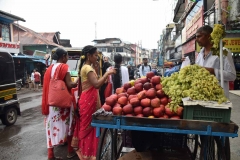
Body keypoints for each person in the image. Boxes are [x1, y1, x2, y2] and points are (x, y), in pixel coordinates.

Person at [72, 45, 116, 160]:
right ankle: (89, 154)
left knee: (92, 126)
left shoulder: (86, 67)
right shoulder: (87, 68)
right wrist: (107, 73)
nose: (97, 58)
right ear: (89, 55)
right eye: (95, 55)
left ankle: (90, 153)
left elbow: (95, 83)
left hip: (88, 99)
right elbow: (96, 84)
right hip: (88, 101)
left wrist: (98, 71)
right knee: (91, 126)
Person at [42, 48, 78, 160]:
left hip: (51, 103)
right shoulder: (64, 67)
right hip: (63, 104)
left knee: (50, 126)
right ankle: (70, 152)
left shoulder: (49, 69)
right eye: (67, 56)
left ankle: (50, 155)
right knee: (69, 124)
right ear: (63, 56)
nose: (67, 59)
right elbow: (70, 84)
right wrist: (77, 79)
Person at [195, 25, 236, 98]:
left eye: (199, 36)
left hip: (219, 99)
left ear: (209, 36)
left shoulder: (223, 52)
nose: (196, 39)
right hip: (202, 97)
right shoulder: (200, 54)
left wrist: (213, 71)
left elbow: (232, 76)